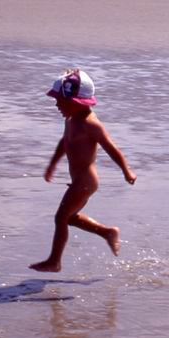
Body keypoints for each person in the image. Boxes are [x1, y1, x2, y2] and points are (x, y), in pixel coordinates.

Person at [30, 69, 136, 273]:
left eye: (60, 100)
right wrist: (53, 163)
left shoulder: (90, 124)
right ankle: (107, 232)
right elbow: (65, 142)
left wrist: (126, 171)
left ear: (75, 101)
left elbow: (111, 148)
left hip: (85, 182)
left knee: (60, 217)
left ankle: (55, 261)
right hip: (78, 180)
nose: (56, 105)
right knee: (69, 217)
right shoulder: (70, 120)